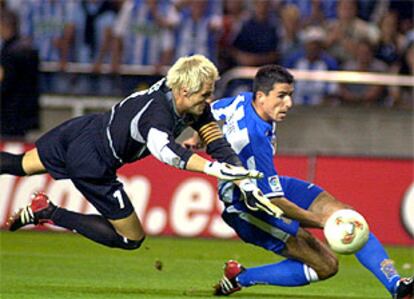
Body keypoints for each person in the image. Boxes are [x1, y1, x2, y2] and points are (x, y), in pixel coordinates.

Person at [184, 65, 413, 298]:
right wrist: (323, 222)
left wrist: (197, 136)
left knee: (347, 214)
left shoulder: (244, 100)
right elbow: (275, 202)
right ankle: (240, 278)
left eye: (290, 95)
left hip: (264, 186)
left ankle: (397, 286)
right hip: (246, 205)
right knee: (326, 265)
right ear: (261, 97)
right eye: (281, 96)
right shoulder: (254, 141)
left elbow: (210, 112)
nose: (289, 104)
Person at [0, 54, 267, 251]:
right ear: (185, 90)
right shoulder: (156, 114)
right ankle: (47, 211)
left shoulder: (183, 96)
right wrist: (211, 168)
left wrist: (240, 175)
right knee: (131, 238)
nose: (209, 100)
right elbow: (165, 151)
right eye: (206, 94)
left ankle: (42, 210)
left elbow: (216, 141)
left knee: (20, 164)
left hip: (82, 129)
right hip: (94, 162)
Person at [0, 9, 40, 139]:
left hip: (8, 114)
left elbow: (4, 84)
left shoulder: (8, 53)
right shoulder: (29, 48)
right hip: (27, 113)